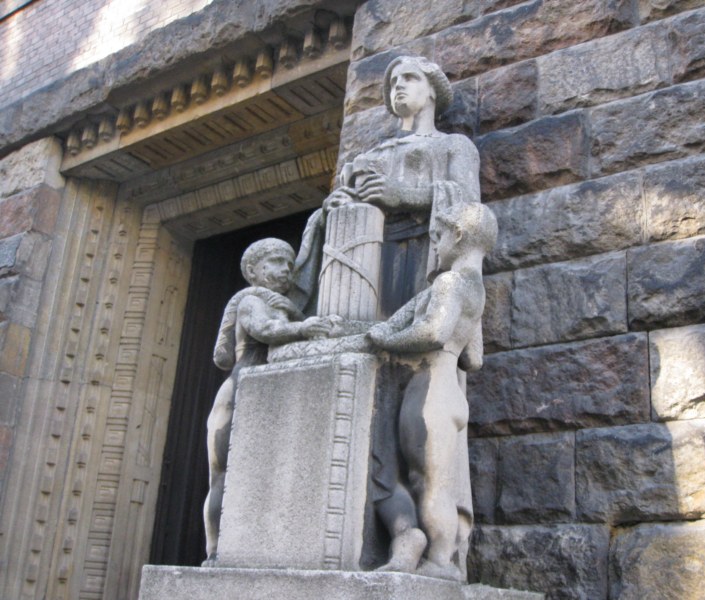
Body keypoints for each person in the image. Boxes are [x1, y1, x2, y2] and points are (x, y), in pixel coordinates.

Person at [366, 202, 498, 580]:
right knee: (438, 482)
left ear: (458, 235)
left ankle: (440, 563)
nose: (436, 247)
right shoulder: (477, 290)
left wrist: (385, 339)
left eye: (438, 237)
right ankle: (440, 558)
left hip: (430, 392)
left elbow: (434, 333)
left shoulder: (449, 282)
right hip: (452, 397)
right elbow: (473, 358)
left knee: (428, 483)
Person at [292, 55, 481, 316]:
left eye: (410, 78)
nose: (399, 85)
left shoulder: (453, 145)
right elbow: (342, 209)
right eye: (393, 82)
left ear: (432, 91)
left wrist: (403, 195)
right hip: (363, 260)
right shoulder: (367, 158)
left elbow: (470, 210)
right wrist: (330, 212)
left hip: (421, 253)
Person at [203, 238, 337, 565]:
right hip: (240, 392)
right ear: (253, 270)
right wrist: (303, 327)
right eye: (276, 261)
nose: (286, 269)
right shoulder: (251, 300)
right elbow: (263, 329)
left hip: (273, 395)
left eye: (289, 264)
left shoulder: (283, 306)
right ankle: (214, 548)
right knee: (223, 474)